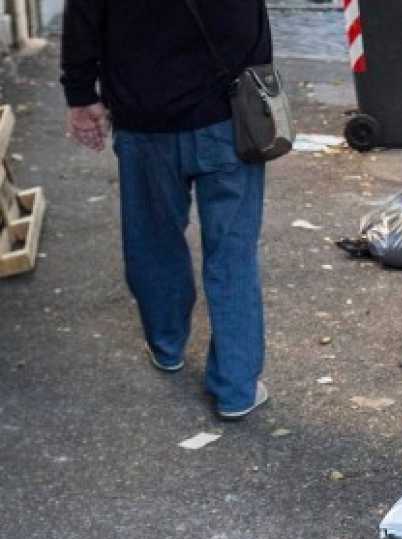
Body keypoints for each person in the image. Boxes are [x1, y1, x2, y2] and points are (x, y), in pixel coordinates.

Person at [60, 1, 273, 420]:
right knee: (232, 254)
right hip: (229, 114)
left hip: (145, 119)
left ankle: (167, 345)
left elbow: (83, 15)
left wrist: (81, 95)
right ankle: (235, 388)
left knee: (153, 240)